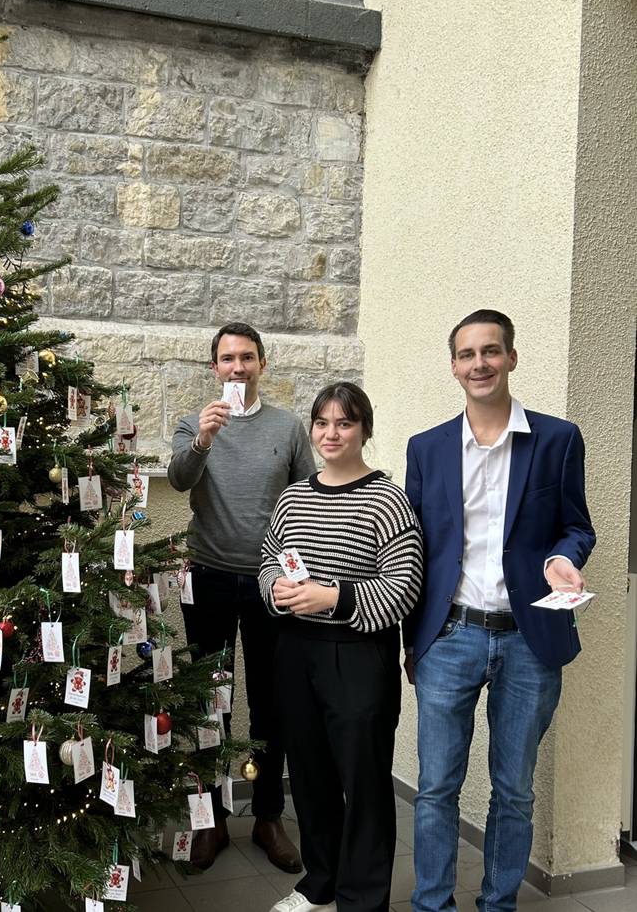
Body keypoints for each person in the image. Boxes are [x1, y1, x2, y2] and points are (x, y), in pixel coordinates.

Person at [404, 309, 596, 912]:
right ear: (454, 366)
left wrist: (563, 558)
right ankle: (434, 904)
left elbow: (576, 526)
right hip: (449, 635)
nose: (479, 363)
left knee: (513, 791)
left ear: (511, 358)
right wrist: (414, 641)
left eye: (491, 351)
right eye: (467, 354)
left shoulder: (558, 439)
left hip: (528, 639)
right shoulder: (427, 447)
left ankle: (498, 904)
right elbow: (414, 548)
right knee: (435, 788)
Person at [260, 382, 423, 912]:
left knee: (365, 782)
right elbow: (269, 562)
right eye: (323, 423)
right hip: (295, 652)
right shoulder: (294, 496)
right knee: (309, 775)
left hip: (357, 653)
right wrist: (277, 592)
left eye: (345, 423)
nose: (332, 434)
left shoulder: (387, 499)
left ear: (365, 431)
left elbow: (404, 588)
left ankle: (363, 898)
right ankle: (320, 880)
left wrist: (332, 597)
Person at [168, 321, 315, 872]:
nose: (237, 368)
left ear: (261, 365)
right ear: (214, 368)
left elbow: (310, 496)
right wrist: (204, 440)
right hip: (206, 577)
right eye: (227, 359)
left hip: (270, 584)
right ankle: (212, 820)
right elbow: (180, 481)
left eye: (247, 358)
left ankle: (269, 817)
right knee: (211, 700)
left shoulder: (288, 426)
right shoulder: (194, 423)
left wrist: (300, 570)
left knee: (271, 700)